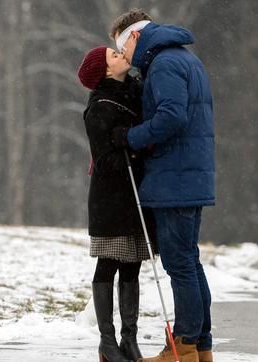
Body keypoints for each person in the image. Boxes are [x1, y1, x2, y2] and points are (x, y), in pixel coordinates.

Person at [108, 9, 216, 362]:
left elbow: (171, 115)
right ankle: (201, 346)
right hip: (187, 173)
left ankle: (182, 345)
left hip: (176, 176)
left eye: (122, 49)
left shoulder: (166, 63)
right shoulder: (181, 57)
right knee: (189, 261)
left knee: (179, 263)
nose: (124, 58)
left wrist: (131, 137)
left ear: (135, 36)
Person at [77, 46, 158, 362]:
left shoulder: (135, 92)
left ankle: (130, 339)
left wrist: (132, 141)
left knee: (132, 264)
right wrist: (131, 144)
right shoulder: (99, 105)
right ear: (105, 71)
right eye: (113, 54)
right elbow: (104, 159)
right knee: (108, 262)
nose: (121, 54)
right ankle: (107, 342)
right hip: (110, 198)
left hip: (137, 193)